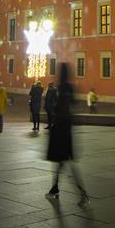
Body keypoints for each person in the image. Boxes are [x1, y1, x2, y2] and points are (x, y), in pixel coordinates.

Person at [46, 64, 89, 206]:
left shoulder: (60, 88)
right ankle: (55, 188)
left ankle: (82, 193)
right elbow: (74, 104)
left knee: (63, 160)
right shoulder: (70, 88)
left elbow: (57, 107)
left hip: (59, 127)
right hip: (68, 127)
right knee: (63, 161)